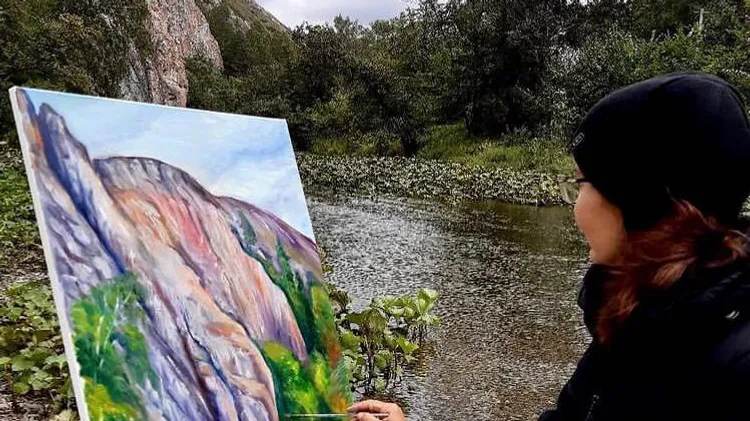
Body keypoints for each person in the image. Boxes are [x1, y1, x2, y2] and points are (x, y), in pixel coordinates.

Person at [348, 72, 750, 421]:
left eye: (580, 183)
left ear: (639, 201)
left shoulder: (735, 370)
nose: (575, 205)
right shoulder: (638, 317)